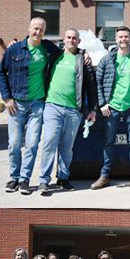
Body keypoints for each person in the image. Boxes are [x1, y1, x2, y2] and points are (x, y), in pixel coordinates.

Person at [0, 18, 60, 194]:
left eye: (41, 29)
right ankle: (14, 178)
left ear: (44, 31)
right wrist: (7, 98)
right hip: (16, 103)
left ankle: (24, 180)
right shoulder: (14, 49)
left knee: (32, 144)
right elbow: (1, 73)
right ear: (29, 28)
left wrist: (83, 53)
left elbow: (67, 53)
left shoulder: (48, 48)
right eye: (35, 29)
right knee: (15, 143)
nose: (37, 32)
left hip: (37, 104)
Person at [92, 26, 130, 191]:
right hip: (112, 108)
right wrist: (103, 103)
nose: (123, 39)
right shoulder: (107, 59)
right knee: (108, 142)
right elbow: (98, 82)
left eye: (126, 36)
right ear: (116, 40)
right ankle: (104, 176)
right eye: (120, 37)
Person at [38, 28, 97, 194]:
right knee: (49, 141)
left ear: (78, 41)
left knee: (66, 147)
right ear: (63, 39)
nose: (71, 40)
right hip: (52, 106)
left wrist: (92, 109)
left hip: (73, 110)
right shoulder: (54, 55)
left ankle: (63, 178)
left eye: (74, 38)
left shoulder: (82, 60)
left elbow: (91, 87)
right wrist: (16, 43)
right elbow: (37, 40)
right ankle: (44, 180)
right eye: (68, 37)